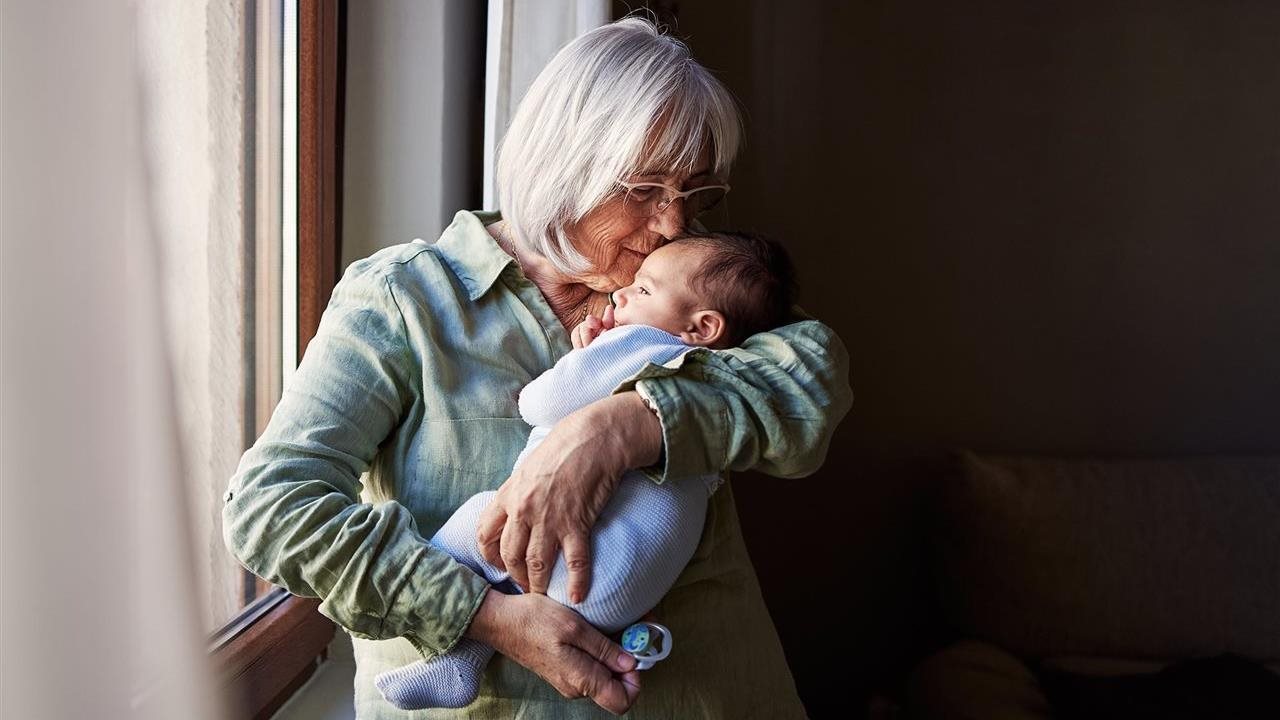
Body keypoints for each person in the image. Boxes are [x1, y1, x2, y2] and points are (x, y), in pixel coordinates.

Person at [223, 17, 852, 719]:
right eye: (645, 189)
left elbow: (811, 382)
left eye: (695, 193)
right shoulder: (407, 301)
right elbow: (272, 509)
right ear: (563, 162)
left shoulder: (691, 280)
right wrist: (482, 616)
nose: (676, 224)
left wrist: (627, 424)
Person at [374, 231, 800, 710]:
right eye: (644, 189)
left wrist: (584, 358)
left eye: (643, 290)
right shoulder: (715, 365)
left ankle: (456, 650)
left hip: (583, 572)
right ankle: (466, 661)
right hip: (622, 598)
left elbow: (540, 402)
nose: (622, 295)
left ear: (701, 327)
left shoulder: (643, 343)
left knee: (483, 519)